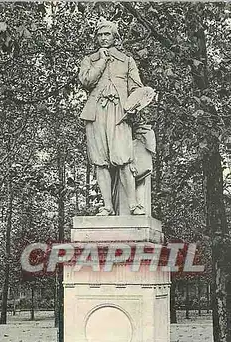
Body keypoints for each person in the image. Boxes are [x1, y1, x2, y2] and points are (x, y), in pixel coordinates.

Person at [79, 18, 146, 216]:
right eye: (99, 35)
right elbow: (86, 81)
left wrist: (135, 105)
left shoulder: (127, 60)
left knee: (122, 158)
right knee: (100, 161)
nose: (103, 38)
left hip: (119, 113)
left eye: (107, 34)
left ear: (115, 37)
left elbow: (137, 88)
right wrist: (101, 60)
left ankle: (133, 205)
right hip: (96, 113)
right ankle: (107, 206)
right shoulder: (89, 60)